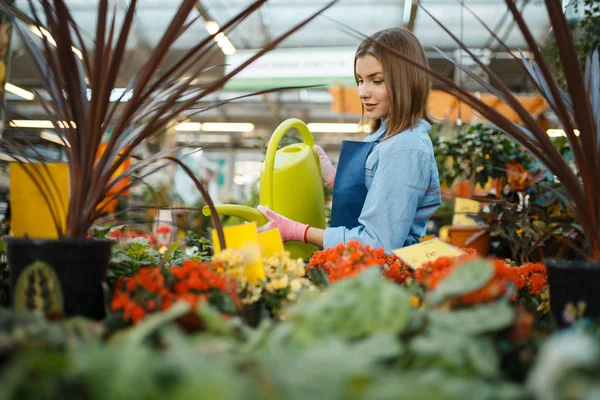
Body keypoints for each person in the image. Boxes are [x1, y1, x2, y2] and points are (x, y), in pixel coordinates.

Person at [257, 27, 441, 253]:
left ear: (406, 81)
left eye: (377, 80)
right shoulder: (384, 134)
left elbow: (377, 244)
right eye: (360, 80)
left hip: (381, 280)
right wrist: (338, 181)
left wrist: (298, 231)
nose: (363, 91)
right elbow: (378, 196)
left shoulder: (404, 148)